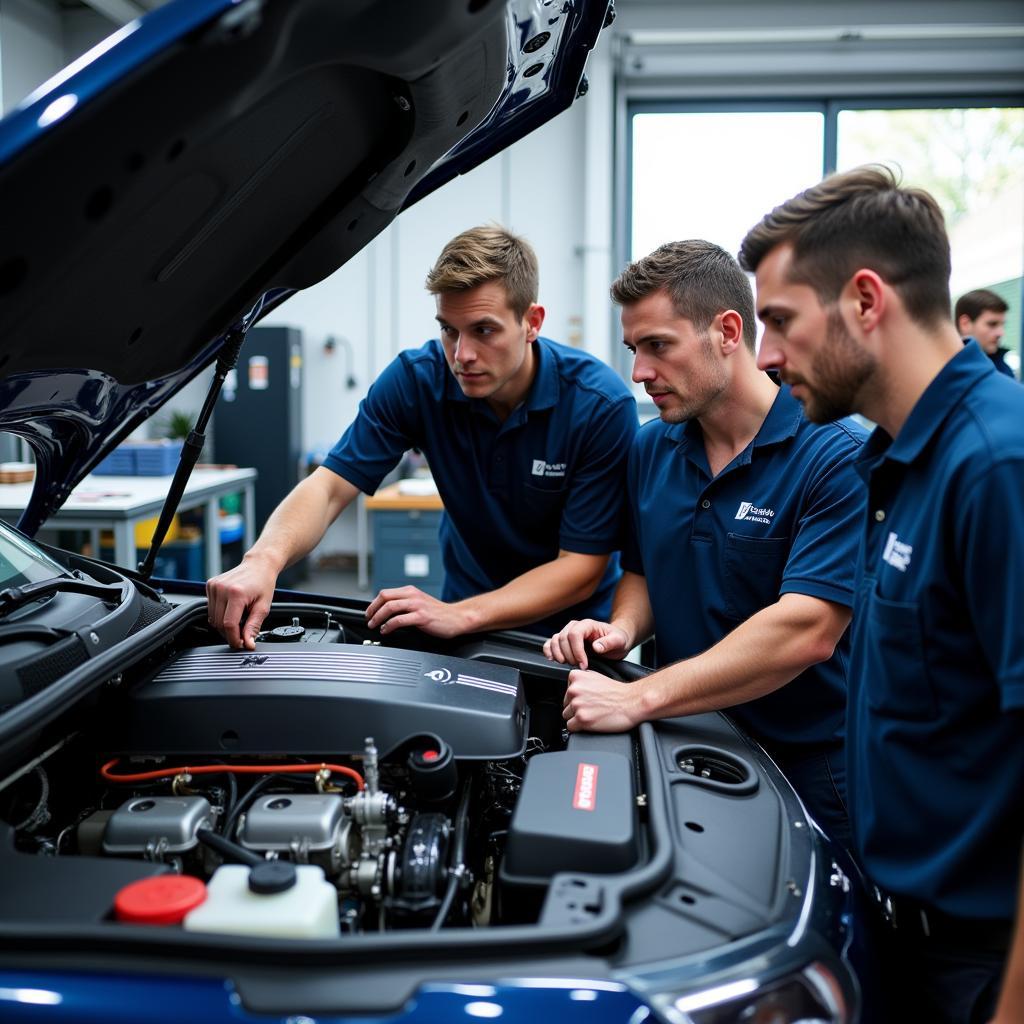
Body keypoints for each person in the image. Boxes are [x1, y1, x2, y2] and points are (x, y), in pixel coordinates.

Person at [739, 164, 1024, 1024]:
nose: (766, 357)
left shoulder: (995, 468)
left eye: (780, 321)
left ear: (865, 301)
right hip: (898, 931)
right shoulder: (891, 463)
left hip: (981, 964)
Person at [546, 240, 866, 848]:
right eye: (634, 350)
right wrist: (622, 630)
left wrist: (637, 695)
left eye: (658, 346)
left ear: (726, 331)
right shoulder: (650, 448)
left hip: (808, 767)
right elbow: (642, 572)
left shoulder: (834, 455)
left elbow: (807, 630)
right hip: (682, 742)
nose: (639, 372)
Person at [207, 226, 638, 648]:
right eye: (449, 329)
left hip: (572, 638)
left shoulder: (598, 406)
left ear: (531, 322)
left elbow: (581, 568)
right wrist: (263, 560)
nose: (462, 355)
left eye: (483, 330)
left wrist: (459, 615)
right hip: (466, 618)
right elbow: (330, 486)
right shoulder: (418, 380)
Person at [955, 287, 1016, 379]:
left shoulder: (1003, 368)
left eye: (1002, 325)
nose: (1000, 333)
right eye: (992, 324)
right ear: (965, 324)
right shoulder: (943, 370)